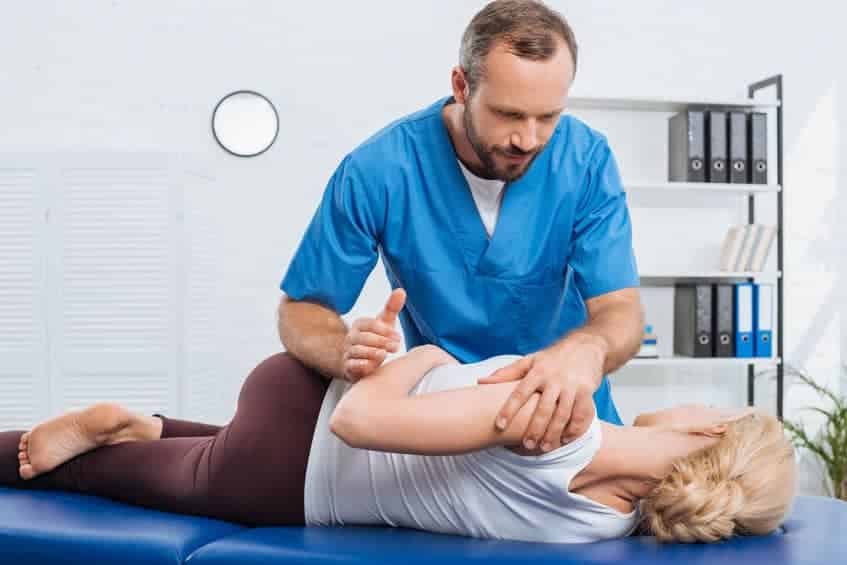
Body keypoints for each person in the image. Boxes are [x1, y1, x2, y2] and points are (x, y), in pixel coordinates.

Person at [0, 317, 795, 544]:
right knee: (183, 457)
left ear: (712, 430)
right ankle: (150, 426)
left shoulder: (562, 421)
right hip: (285, 446)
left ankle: (139, 427)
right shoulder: (610, 516)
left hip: (290, 450)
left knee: (62, 467)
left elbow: (359, 418)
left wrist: (422, 350)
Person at [278, 0, 644, 458]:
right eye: (509, 114)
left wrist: (589, 349)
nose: (528, 139)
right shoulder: (380, 169)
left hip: (566, 420)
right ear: (461, 85)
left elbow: (621, 310)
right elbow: (301, 309)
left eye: (548, 117)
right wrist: (342, 348)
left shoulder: (585, 160)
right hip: (449, 427)